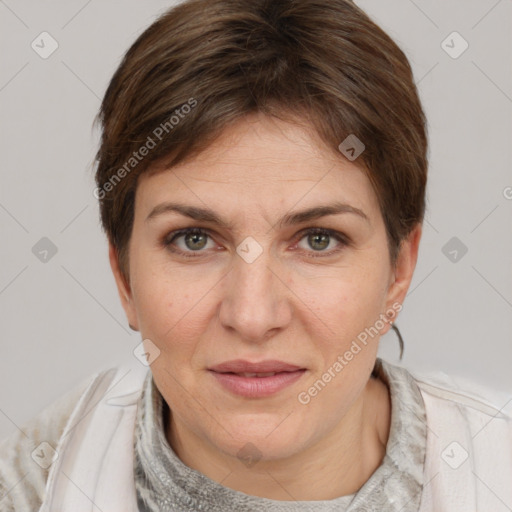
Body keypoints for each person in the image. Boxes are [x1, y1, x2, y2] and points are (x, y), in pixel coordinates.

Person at [1, 0, 511, 510]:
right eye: (194, 239)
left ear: (398, 271)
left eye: (318, 239)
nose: (252, 316)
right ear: (124, 276)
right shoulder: (31, 487)